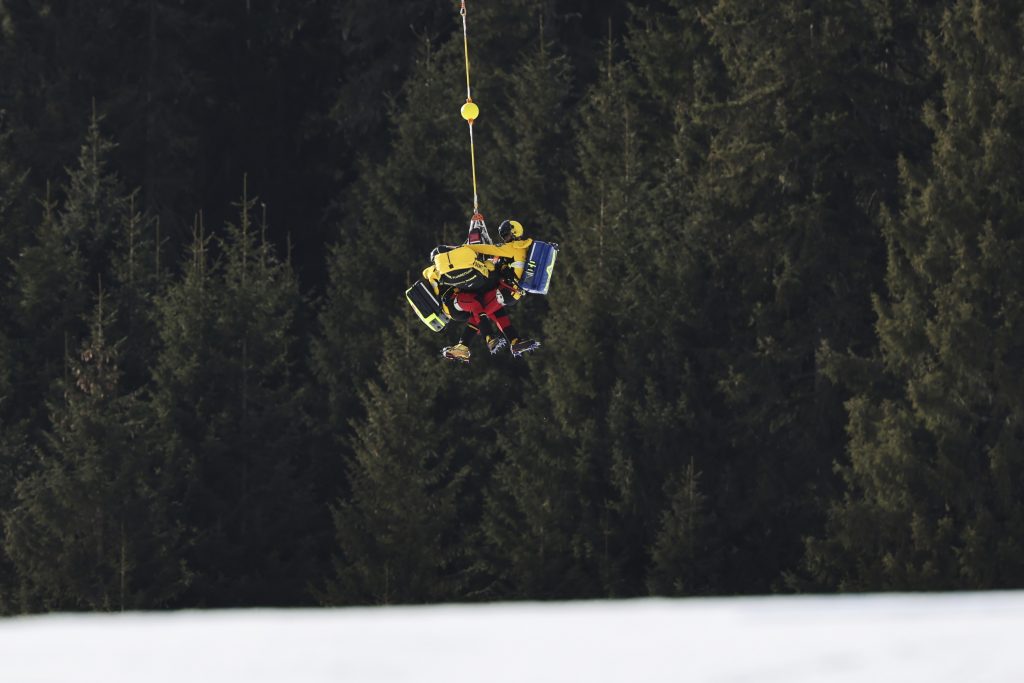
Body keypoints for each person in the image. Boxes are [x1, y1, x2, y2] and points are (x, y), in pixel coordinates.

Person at [422, 219, 540, 362]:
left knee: (480, 308)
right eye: (504, 236)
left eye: (507, 235)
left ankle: (471, 344)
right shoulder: (521, 247)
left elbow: (488, 249)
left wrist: (464, 248)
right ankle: (514, 341)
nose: (505, 239)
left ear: (515, 233)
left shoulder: (513, 247)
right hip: (509, 292)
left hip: (506, 291)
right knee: (494, 311)